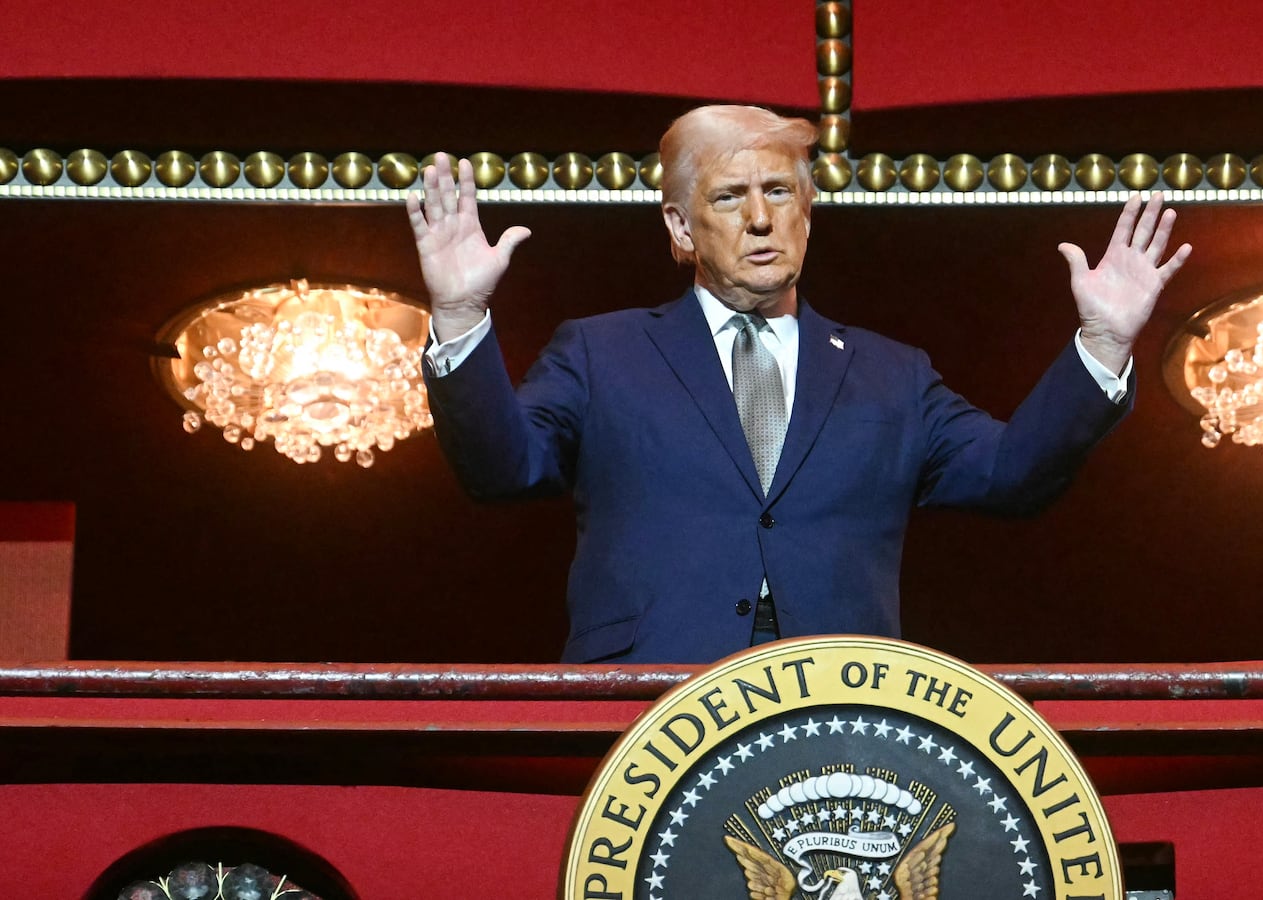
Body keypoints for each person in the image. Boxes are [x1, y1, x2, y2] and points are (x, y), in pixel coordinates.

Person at [409, 105, 1190, 664]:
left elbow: (1012, 474)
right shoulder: (601, 351)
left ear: (808, 214)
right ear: (681, 228)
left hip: (840, 706)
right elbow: (500, 470)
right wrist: (459, 313)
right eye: (728, 196)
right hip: (648, 702)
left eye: (779, 192)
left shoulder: (891, 373)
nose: (759, 219)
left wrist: (1104, 341)